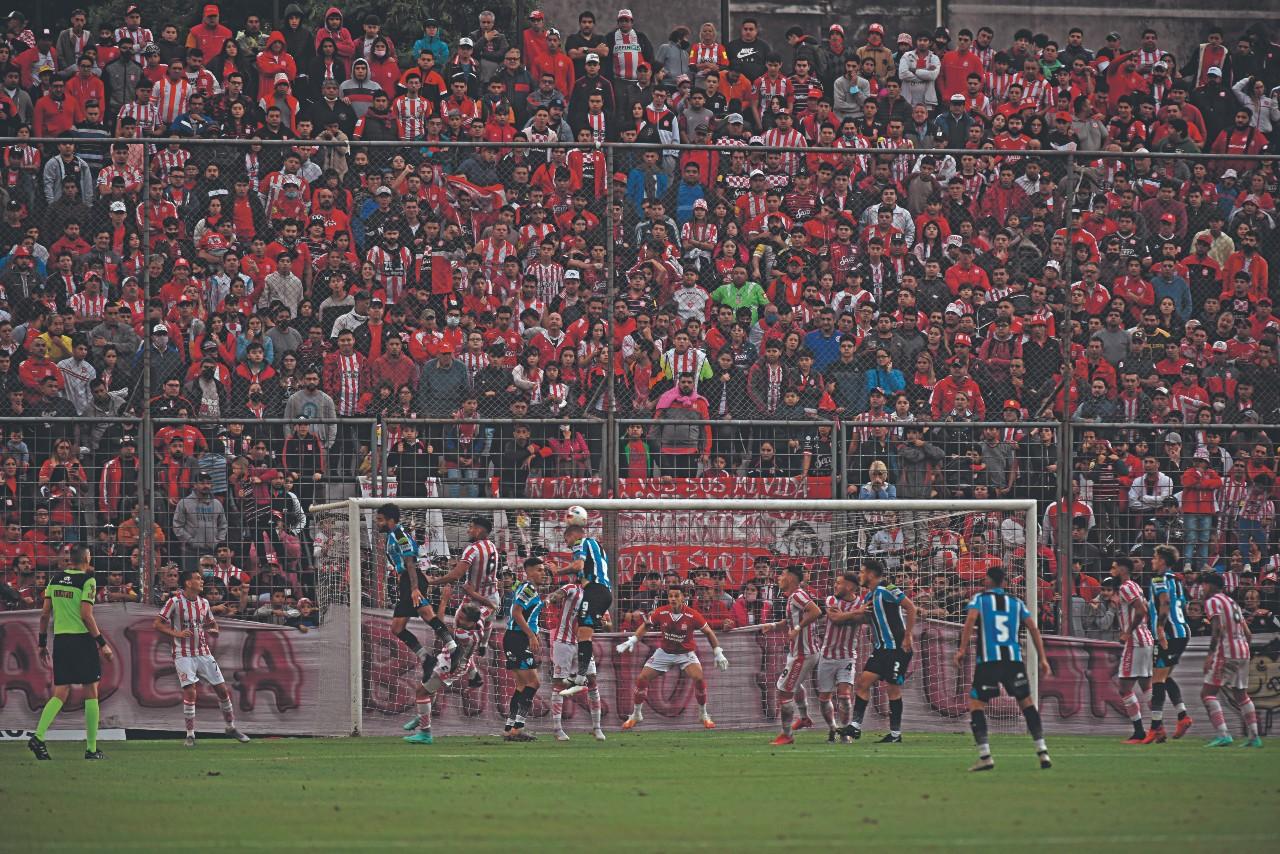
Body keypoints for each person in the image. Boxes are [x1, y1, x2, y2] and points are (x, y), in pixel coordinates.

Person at [954, 566, 1053, 772]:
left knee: (976, 704)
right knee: (1026, 703)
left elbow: (970, 620)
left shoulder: (979, 599)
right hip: (1013, 661)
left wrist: (961, 650)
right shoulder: (1016, 603)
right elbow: (1033, 628)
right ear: (1005, 583)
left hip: (989, 661)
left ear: (988, 581)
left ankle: (985, 756)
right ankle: (1042, 751)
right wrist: (1043, 658)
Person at [27, 545, 114, 761]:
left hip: (62, 640)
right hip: (82, 640)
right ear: (86, 558)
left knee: (61, 692)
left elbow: (45, 614)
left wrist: (41, 642)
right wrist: (102, 643)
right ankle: (92, 749)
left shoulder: (55, 579)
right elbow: (86, 614)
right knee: (91, 690)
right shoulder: (88, 581)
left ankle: (38, 736)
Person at [152, 568, 250, 746]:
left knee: (222, 689)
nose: (201, 581)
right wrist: (177, 633)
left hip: (204, 652)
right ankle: (190, 734)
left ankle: (230, 727)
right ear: (188, 583)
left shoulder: (204, 603)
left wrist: (214, 630)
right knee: (190, 691)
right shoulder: (174, 602)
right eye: (198, 578)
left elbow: (212, 623)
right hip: (183, 653)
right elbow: (157, 624)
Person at [617, 584, 728, 731]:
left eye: (676, 596)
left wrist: (718, 652)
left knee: (699, 679)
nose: (673, 599)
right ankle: (636, 714)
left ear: (683, 597)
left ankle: (703, 714)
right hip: (664, 653)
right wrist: (633, 640)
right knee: (642, 678)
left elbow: (708, 632)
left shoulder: (692, 615)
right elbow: (646, 625)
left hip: (685, 654)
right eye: (670, 596)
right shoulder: (661, 612)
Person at [374, 503, 454, 666]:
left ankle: (448, 650)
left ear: (390, 520)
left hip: (412, 579)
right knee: (414, 621)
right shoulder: (392, 535)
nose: (378, 523)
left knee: (416, 620)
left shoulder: (399, 535)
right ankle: (435, 655)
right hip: (409, 580)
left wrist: (414, 588)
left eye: (380, 520)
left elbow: (410, 562)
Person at [846, 558, 916, 743]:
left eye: (861, 572)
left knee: (892, 688)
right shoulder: (869, 596)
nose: (859, 575)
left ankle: (895, 735)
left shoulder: (888, 589)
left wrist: (908, 636)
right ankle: (855, 726)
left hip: (897, 648)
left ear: (870, 574)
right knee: (862, 683)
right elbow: (870, 619)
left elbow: (911, 607)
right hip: (880, 649)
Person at [403, 605, 484, 745]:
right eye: (459, 615)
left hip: (450, 666)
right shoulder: (479, 624)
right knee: (429, 690)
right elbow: (489, 608)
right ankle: (422, 717)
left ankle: (425, 733)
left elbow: (439, 627)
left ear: (471, 622)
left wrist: (445, 600)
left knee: (421, 693)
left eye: (463, 619)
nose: (459, 619)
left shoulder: (463, 635)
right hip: (455, 661)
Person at [1199, 571, 1262, 748]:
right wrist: (1243, 648)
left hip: (1226, 651)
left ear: (1210, 585)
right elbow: (1248, 633)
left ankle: (1223, 734)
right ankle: (1254, 737)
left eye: (1203, 584)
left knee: (1207, 693)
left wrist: (1211, 655)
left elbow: (1217, 628)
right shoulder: (1231, 602)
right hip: (1243, 650)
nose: (1201, 588)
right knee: (1241, 694)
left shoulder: (1212, 601)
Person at [762, 564, 821, 745]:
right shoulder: (793, 598)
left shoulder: (797, 595)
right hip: (801, 652)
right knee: (794, 686)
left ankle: (787, 735)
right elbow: (789, 620)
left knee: (784, 690)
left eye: (781, 574)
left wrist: (797, 628)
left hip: (803, 653)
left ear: (791, 578)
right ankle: (803, 717)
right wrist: (773, 626)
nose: (779, 578)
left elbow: (816, 611)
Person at [546, 570, 606, 741]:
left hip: (583, 643)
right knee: (559, 683)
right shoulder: (572, 588)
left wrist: (601, 621)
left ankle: (597, 728)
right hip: (563, 642)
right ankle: (557, 729)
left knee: (592, 679)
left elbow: (606, 623)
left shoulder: (597, 597)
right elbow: (557, 595)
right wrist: (553, 598)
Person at [1142, 545, 1194, 742]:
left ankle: (1156, 727)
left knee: (1157, 680)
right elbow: (1181, 604)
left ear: (1162, 560)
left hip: (1169, 634)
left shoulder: (1158, 579)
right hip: (1181, 631)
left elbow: (1164, 603)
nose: (1152, 561)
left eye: (1154, 557)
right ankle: (1182, 716)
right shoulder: (1176, 580)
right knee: (1163, 677)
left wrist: (1161, 629)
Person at [1101, 557, 1154, 743]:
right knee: (1146, 686)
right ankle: (1158, 727)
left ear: (1123, 569)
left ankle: (1140, 732)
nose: (1111, 569)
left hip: (1136, 640)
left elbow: (1141, 610)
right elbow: (1144, 607)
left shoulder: (1125, 587)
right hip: (1145, 639)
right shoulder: (1135, 586)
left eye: (1114, 567)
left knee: (1124, 688)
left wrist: (1127, 632)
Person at [557, 522, 612, 696]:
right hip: (599, 592)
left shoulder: (582, 542)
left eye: (566, 539)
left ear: (573, 535)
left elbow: (578, 566)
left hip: (596, 591)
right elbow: (583, 571)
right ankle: (579, 679)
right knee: (583, 633)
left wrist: (556, 572)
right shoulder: (596, 548)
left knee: (584, 634)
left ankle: (580, 680)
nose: (567, 544)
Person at [503, 556, 546, 741]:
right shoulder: (528, 588)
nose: (543, 573)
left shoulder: (526, 588)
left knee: (521, 685)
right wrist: (530, 635)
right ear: (528, 571)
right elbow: (516, 612)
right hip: (518, 638)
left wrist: (533, 634)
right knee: (533, 683)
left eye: (543, 570)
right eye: (539, 569)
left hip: (514, 638)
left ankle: (509, 727)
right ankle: (518, 728)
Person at [817, 571, 861, 743]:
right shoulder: (831, 600)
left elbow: (864, 618)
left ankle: (845, 731)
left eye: (839, 583)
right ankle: (832, 728)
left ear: (849, 586)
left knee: (844, 696)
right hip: (826, 656)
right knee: (823, 699)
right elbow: (835, 618)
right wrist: (855, 615)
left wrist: (857, 614)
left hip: (847, 657)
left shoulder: (862, 603)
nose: (835, 585)